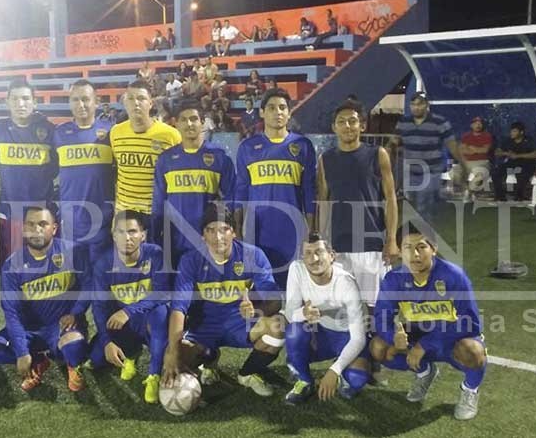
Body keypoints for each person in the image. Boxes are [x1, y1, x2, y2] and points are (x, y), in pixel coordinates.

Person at [161, 203, 286, 397]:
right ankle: (209, 358)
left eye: (224, 230)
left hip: (240, 322)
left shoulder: (252, 256)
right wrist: (173, 350)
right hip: (203, 327)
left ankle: (247, 373)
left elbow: (275, 301)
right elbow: (179, 309)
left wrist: (256, 310)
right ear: (203, 235)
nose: (218, 237)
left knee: (278, 327)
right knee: (175, 361)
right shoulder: (190, 260)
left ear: (233, 232)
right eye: (211, 230)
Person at [371, 225, 487, 421]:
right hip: (417, 336)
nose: (415, 254)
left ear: (433, 249)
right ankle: (424, 371)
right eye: (408, 247)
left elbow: (471, 323)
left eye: (421, 247)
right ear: (399, 250)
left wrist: (425, 344)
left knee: (474, 352)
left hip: (451, 340)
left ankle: (470, 390)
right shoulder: (393, 279)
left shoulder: (453, 276)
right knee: (379, 347)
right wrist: (394, 337)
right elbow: (381, 317)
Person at [0, 205, 92, 392]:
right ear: (23, 228)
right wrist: (21, 352)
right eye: (31, 224)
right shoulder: (12, 264)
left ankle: (70, 364)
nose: (36, 229)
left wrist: (76, 313)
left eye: (43, 224)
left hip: (62, 326)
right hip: (30, 330)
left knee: (75, 347)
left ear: (54, 228)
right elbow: (11, 312)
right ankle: (38, 360)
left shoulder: (73, 252)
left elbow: (88, 286)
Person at [317, 100, 398, 310]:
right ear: (334, 127)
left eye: (352, 121)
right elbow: (324, 202)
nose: (347, 126)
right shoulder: (325, 160)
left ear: (362, 125)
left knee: (374, 309)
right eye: (341, 122)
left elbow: (390, 198)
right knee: (341, 309)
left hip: (371, 245)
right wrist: (321, 239)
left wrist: (391, 239)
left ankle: (376, 343)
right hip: (338, 246)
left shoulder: (377, 154)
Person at [234, 88, 316, 290]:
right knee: (261, 284)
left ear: (289, 113)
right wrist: (237, 230)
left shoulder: (302, 145)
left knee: (292, 284)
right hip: (258, 227)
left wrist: (312, 231)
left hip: (292, 228)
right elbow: (241, 192)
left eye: (282, 108)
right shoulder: (247, 147)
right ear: (262, 112)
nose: (277, 112)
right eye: (271, 108)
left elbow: (309, 191)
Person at [89, 210, 170, 403]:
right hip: (124, 325)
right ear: (113, 235)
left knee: (160, 313)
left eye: (133, 231)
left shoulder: (155, 254)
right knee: (96, 359)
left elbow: (163, 292)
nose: (127, 237)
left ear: (143, 235)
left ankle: (153, 376)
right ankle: (131, 354)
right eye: (121, 232)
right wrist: (107, 341)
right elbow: (99, 307)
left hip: (150, 322)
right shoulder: (103, 264)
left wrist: (128, 310)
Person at [283, 234, 370, 404]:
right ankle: (305, 381)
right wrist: (303, 313)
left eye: (319, 252)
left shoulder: (346, 283)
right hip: (322, 334)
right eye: (307, 253)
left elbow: (358, 339)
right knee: (294, 332)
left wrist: (333, 371)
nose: (313, 259)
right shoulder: (297, 268)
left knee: (355, 381)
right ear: (302, 257)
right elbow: (289, 313)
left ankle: (345, 364)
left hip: (347, 336)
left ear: (332, 256)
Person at [152, 99, 236, 266]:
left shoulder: (219, 158)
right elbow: (158, 204)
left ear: (203, 122)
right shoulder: (166, 160)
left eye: (194, 119)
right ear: (176, 124)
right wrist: (155, 238)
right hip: (175, 242)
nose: (189, 124)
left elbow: (232, 201)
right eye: (183, 119)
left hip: (210, 242)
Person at [0, 78, 57, 268]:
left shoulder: (49, 131)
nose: (20, 104)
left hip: (42, 213)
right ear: (7, 102)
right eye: (15, 99)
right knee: (11, 267)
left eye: (25, 98)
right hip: (10, 213)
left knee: (42, 268)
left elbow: (56, 167)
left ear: (35, 102)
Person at [52, 79, 115, 262]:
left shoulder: (111, 132)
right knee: (74, 278)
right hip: (70, 222)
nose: (81, 104)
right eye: (75, 99)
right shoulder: (59, 133)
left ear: (96, 101)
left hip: (103, 220)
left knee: (101, 279)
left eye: (86, 99)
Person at [110, 80, 182, 214]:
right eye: (130, 98)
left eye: (141, 98)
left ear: (151, 103)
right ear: (125, 103)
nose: (135, 103)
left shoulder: (171, 135)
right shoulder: (115, 132)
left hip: (156, 214)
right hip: (124, 214)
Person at [393, 92, 461, 223]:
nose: (416, 107)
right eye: (413, 104)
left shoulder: (439, 122)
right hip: (411, 171)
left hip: (431, 171)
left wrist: (462, 163)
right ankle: (437, 202)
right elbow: (394, 141)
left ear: (427, 105)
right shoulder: (403, 122)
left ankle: (425, 235)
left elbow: (452, 145)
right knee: (412, 202)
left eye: (420, 104)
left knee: (423, 205)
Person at [491, 122, 536, 202]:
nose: (511, 133)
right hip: (512, 163)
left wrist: (518, 156)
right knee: (496, 172)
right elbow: (497, 152)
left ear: (521, 132)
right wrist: (506, 153)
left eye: (514, 131)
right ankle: (500, 196)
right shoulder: (508, 140)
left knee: (522, 174)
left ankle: (519, 196)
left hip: (527, 164)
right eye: (511, 131)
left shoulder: (529, 140)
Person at [452, 117, 493, 201]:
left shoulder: (487, 136)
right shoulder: (466, 136)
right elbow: (461, 150)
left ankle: (469, 192)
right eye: (476, 123)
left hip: (482, 162)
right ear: (471, 125)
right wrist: (476, 150)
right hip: (466, 162)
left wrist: (471, 148)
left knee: (481, 175)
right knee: (453, 173)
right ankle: (468, 191)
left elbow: (485, 150)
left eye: (480, 123)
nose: (478, 125)